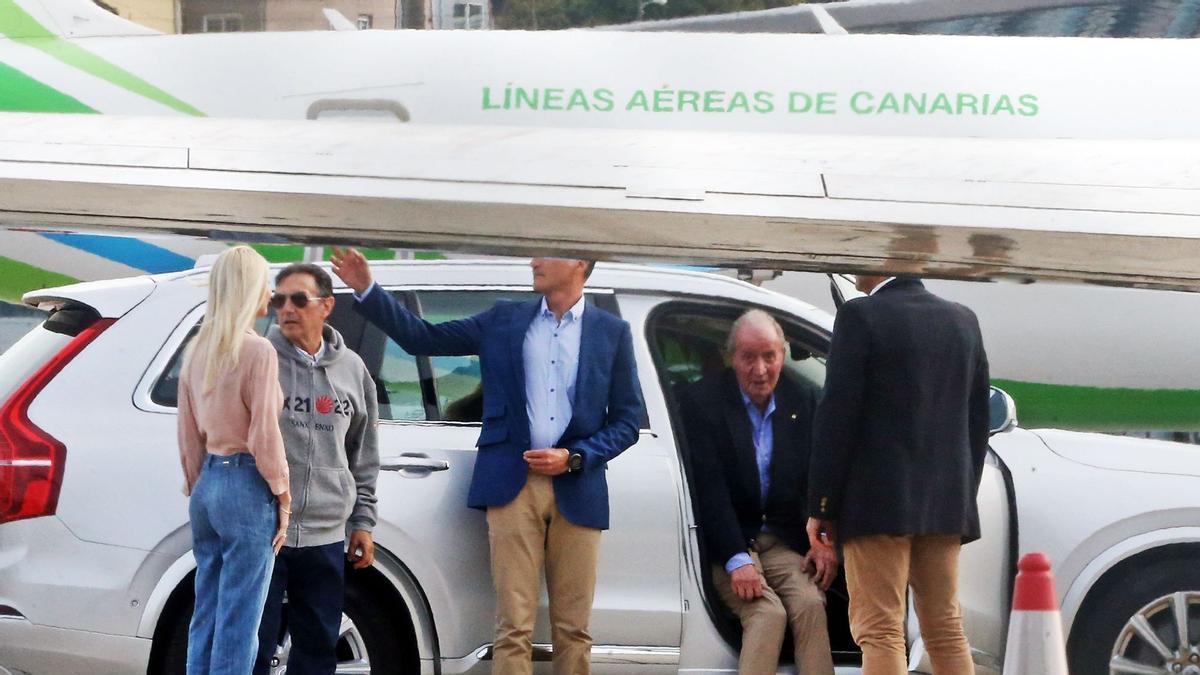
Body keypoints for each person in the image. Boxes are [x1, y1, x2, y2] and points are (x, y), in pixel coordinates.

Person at [329, 248, 643, 675]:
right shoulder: (504, 319)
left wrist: (575, 457)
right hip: (513, 485)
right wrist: (366, 288)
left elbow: (626, 421)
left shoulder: (612, 332)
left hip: (578, 485)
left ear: (579, 263)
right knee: (513, 626)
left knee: (574, 628)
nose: (533, 261)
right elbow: (424, 338)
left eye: (545, 254)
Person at [806, 275, 990, 675]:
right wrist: (961, 497)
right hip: (944, 505)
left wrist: (823, 503)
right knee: (945, 628)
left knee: (881, 630)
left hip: (876, 505)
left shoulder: (859, 316)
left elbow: (837, 416)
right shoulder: (963, 320)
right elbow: (977, 423)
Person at [679, 310, 836, 675]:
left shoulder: (802, 401)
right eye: (748, 357)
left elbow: (816, 477)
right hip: (727, 541)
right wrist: (738, 560)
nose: (760, 369)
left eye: (770, 356)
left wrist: (823, 538)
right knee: (767, 613)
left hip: (779, 540)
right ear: (732, 357)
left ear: (783, 355)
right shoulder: (703, 403)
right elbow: (709, 489)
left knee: (811, 603)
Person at [254, 263, 380, 675]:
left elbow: (363, 453)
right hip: (264, 529)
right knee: (254, 644)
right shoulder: (259, 359)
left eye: (298, 299)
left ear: (327, 306)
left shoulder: (354, 370)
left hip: (326, 532)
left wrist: (362, 521)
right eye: (278, 300)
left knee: (317, 648)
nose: (286, 309)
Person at [177, 245, 292, 675]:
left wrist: (197, 485)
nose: (270, 295)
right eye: (265, 284)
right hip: (246, 486)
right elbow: (265, 433)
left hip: (206, 484)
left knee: (206, 607)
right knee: (241, 618)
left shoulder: (196, 351)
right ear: (249, 289)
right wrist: (282, 493)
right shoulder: (258, 351)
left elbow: (187, 435)